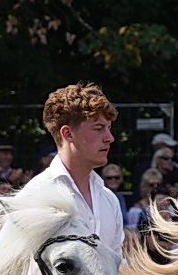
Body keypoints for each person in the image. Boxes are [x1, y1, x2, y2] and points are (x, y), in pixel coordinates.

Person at [18, 82, 126, 250]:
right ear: (68, 133)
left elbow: (118, 267)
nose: (109, 137)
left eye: (109, 128)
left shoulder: (109, 200)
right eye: (99, 128)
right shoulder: (34, 196)